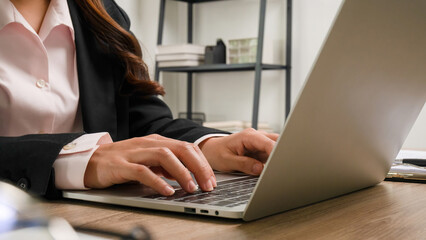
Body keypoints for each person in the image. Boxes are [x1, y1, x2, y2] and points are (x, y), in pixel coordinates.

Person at [0, 0, 278, 199]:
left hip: (95, 220)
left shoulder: (102, 14)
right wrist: (79, 160)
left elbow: (145, 120)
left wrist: (208, 145)